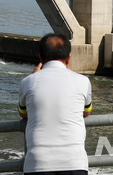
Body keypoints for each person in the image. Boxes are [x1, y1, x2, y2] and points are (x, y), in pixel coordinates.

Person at [18, 33, 92, 175]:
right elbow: (86, 112)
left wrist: (33, 75)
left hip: (38, 164)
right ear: (69, 57)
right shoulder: (83, 81)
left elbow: (23, 113)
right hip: (74, 163)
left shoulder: (28, 82)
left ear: (40, 57)